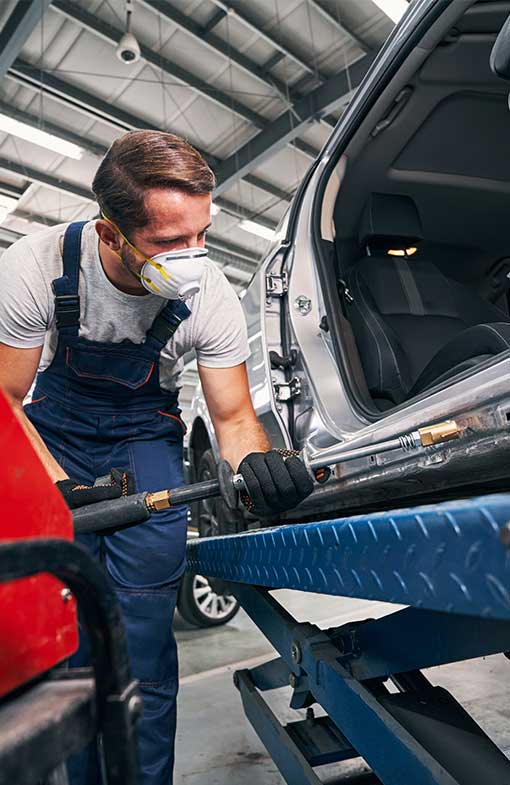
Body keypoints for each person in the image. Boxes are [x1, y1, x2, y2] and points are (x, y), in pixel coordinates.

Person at [0, 130, 314, 785]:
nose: (195, 256)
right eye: (172, 242)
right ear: (111, 233)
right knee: (70, 639)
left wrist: (256, 465)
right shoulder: (34, 268)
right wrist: (61, 488)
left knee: (142, 639)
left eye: (203, 232)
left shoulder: (208, 294)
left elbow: (232, 418)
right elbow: (6, 399)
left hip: (146, 442)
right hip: (51, 439)